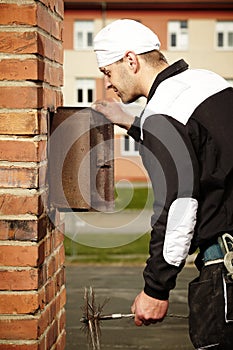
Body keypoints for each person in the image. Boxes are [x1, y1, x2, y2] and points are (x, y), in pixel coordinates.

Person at [92, 19, 233, 349]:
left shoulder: (162, 114)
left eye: (107, 72)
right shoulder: (210, 82)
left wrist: (156, 289)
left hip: (225, 268)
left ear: (131, 60)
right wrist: (135, 124)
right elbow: (199, 146)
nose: (107, 84)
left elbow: (180, 206)